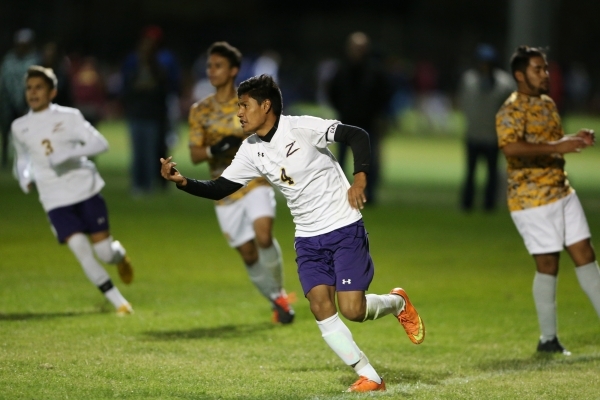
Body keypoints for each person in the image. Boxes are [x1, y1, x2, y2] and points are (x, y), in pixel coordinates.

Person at [160, 74, 425, 392]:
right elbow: (221, 188)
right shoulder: (251, 150)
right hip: (308, 238)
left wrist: (360, 179)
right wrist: (183, 181)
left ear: (266, 105)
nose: (240, 113)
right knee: (319, 306)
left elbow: (358, 135)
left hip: (343, 226)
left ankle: (397, 303)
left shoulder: (302, 127)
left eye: (244, 106)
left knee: (353, 310)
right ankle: (370, 376)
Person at [496, 46, 600, 355]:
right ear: (520, 75)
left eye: (545, 69)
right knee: (548, 264)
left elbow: (548, 142)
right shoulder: (511, 109)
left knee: (586, 255)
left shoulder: (547, 103)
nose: (545, 74)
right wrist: (559, 145)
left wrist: (572, 138)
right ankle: (548, 339)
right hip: (532, 199)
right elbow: (511, 148)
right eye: (538, 69)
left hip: (561, 191)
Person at [12, 66, 134, 315]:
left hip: (84, 188)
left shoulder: (70, 116)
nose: (33, 93)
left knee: (104, 252)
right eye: (29, 88)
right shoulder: (19, 126)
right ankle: (119, 303)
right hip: (53, 198)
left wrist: (69, 153)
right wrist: (24, 176)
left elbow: (101, 143)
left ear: (52, 92)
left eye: (39, 88)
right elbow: (22, 159)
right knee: (81, 250)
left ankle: (120, 257)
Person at [188, 42, 294, 324]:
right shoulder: (200, 110)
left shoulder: (249, 103)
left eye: (218, 66)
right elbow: (195, 154)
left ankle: (281, 294)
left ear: (233, 70)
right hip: (223, 187)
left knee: (263, 235)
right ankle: (276, 299)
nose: (212, 71)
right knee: (248, 254)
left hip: (255, 180)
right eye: (209, 66)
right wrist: (215, 149)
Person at [327, 32, 392, 205]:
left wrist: (377, 114)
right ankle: (339, 193)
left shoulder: (375, 71)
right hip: (346, 122)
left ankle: (369, 194)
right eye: (355, 47)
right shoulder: (341, 70)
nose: (358, 51)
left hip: (368, 123)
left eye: (361, 48)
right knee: (340, 162)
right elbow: (332, 92)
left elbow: (385, 94)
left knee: (369, 161)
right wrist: (342, 109)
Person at [458, 44, 515, 212]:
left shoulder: (504, 83)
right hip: (473, 133)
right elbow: (464, 103)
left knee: (491, 173)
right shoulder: (469, 80)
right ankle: (467, 204)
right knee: (470, 172)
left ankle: (489, 205)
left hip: (493, 135)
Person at [121, 26, 172, 196]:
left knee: (150, 153)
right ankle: (138, 185)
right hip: (138, 114)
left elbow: (164, 91)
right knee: (138, 153)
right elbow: (126, 89)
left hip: (151, 116)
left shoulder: (158, 69)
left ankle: (148, 185)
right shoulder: (134, 68)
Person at [0, 28, 41, 168]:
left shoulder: (35, 60)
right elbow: (4, 80)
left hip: (27, 102)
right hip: (7, 102)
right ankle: (5, 158)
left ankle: (26, 159)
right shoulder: (9, 59)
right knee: (6, 131)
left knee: (27, 132)